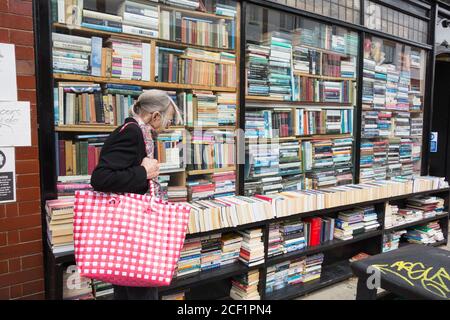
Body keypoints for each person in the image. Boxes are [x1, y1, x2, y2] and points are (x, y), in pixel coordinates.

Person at [90, 89, 182, 300]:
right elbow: (101, 178)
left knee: (128, 291)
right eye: (168, 118)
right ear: (155, 115)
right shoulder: (132, 133)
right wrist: (143, 172)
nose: (168, 124)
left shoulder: (138, 132)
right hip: (134, 234)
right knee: (142, 291)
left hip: (129, 230)